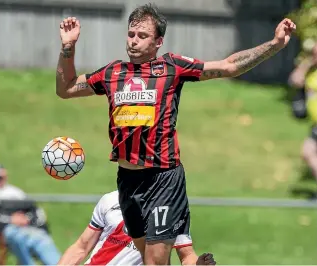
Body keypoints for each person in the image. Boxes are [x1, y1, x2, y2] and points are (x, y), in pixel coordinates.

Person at [55, 3, 296, 264]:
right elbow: (65, 88)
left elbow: (228, 66)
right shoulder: (112, 73)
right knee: (149, 258)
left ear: (158, 41)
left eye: (143, 36)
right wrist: (68, 47)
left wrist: (274, 44)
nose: (134, 41)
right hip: (127, 181)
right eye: (131, 34)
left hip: (164, 180)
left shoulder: (172, 67)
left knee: (155, 261)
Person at [57, 190, 216, 265]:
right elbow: (81, 247)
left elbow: (187, 255)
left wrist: (198, 265)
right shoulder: (111, 199)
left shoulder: (173, 211)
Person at [0, 162, 61, 265]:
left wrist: (27, 219)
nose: (1, 180)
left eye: (3, 176)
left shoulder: (15, 192)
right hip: (5, 232)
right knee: (17, 236)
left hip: (27, 229)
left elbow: (36, 212)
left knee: (43, 238)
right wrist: (10, 219)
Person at [289, 42, 317, 191]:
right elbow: (295, 80)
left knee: (308, 151)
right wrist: (307, 63)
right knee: (307, 153)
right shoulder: (311, 73)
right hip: (315, 125)